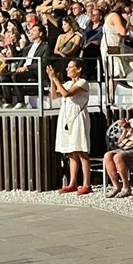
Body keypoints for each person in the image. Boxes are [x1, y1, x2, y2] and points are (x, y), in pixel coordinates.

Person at [48, 60, 92, 194]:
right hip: (66, 118)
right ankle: (72, 182)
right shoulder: (67, 83)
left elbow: (67, 94)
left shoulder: (82, 83)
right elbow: (55, 96)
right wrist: (52, 79)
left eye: (70, 67)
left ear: (78, 69)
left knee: (81, 151)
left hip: (78, 118)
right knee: (71, 152)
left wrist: (56, 79)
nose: (67, 69)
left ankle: (86, 183)